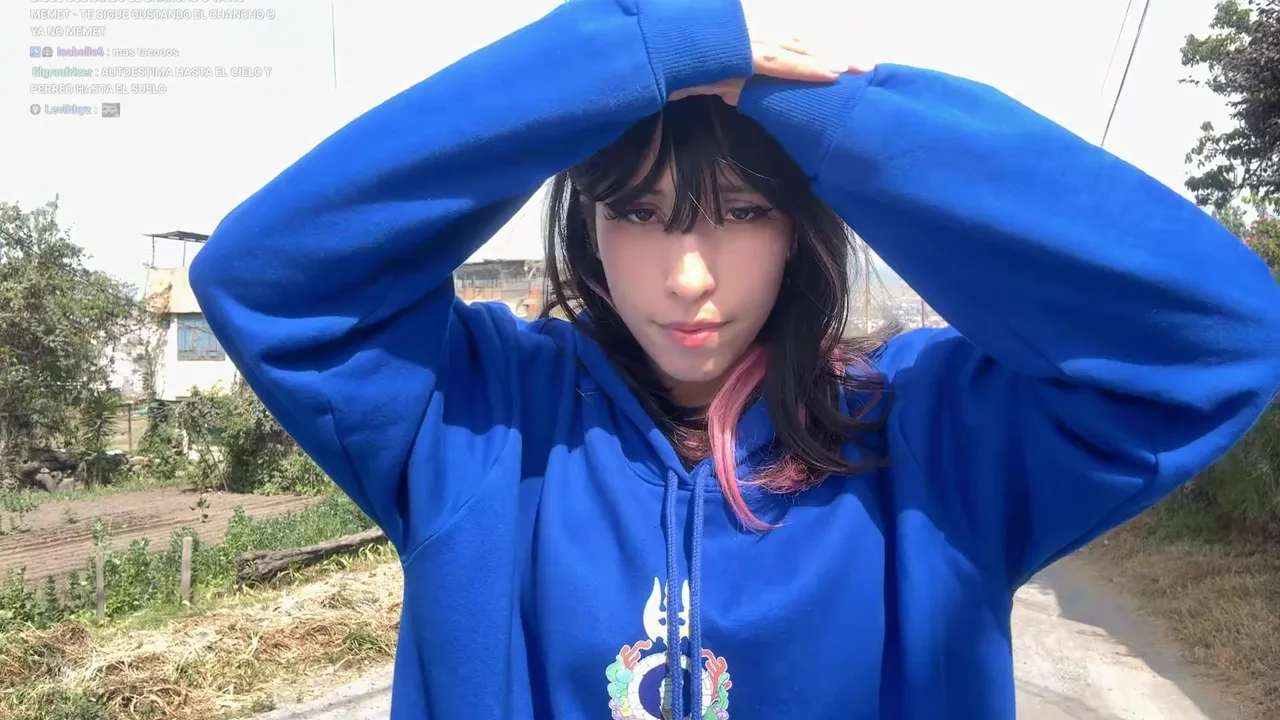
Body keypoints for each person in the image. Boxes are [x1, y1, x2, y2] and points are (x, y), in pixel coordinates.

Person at [189, 1, 1280, 718]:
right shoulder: (477, 419)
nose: (689, 276)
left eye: (744, 212)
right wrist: (640, 51)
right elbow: (269, 278)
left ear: (801, 228)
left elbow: (1215, 333)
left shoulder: (927, 436)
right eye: (640, 213)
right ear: (587, 227)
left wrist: (823, 114)